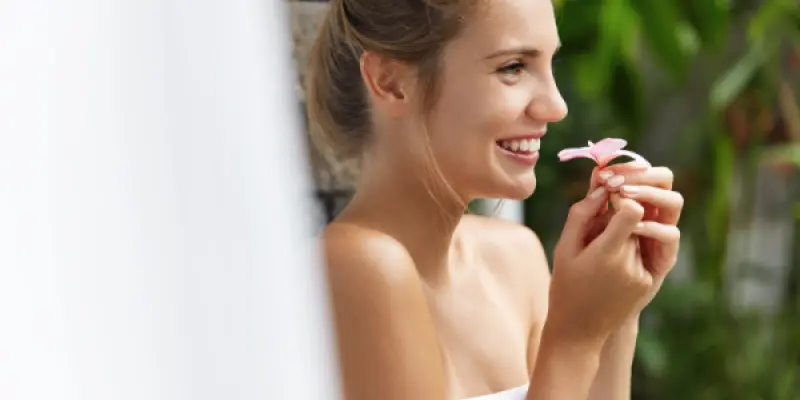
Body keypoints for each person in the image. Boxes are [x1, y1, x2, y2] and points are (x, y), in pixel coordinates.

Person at [305, 0, 683, 399]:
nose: (555, 107)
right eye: (513, 67)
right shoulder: (356, 266)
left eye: (549, 64)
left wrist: (616, 316)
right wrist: (575, 337)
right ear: (391, 82)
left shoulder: (514, 258)